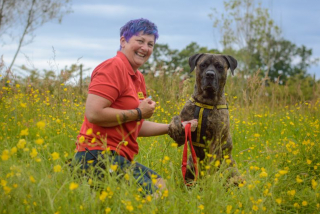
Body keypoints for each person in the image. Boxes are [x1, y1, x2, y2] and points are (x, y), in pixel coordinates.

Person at [73, 18, 197, 196]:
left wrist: (174, 127)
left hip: (117, 158)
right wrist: (139, 112)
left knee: (162, 187)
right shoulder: (113, 67)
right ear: (123, 41)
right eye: (140, 41)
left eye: (150, 44)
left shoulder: (138, 78)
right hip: (96, 156)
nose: (145, 48)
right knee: (154, 195)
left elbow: (134, 126)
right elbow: (94, 113)